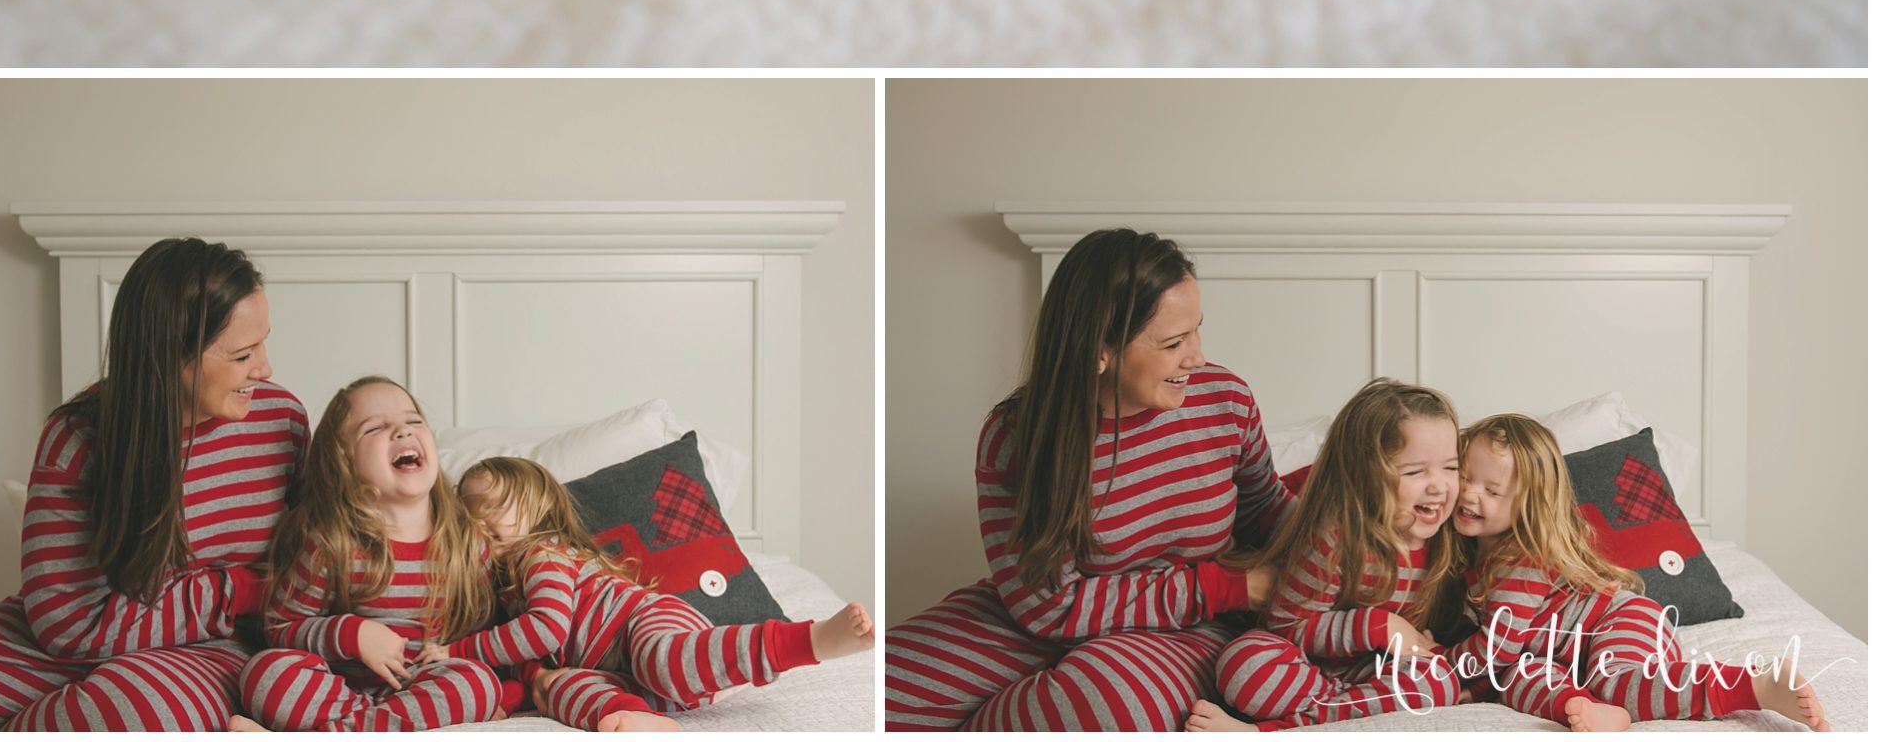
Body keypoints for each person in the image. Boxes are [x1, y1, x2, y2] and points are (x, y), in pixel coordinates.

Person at [0, 237, 309, 731]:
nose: (265, 368)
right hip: (63, 640)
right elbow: (66, 623)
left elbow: (313, 566)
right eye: (243, 354)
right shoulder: (80, 435)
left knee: (128, 713)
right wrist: (237, 588)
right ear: (169, 354)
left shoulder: (280, 421)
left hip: (212, 645)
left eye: (262, 342)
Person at [883, 229, 1287, 730]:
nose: (1197, 356)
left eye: (1197, 330)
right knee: (865, 692)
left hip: (1190, 625)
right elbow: (1047, 605)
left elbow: (1266, 513)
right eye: (1173, 342)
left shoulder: (1224, 400)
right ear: (1099, 348)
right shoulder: (1017, 435)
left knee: (1102, 703)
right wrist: (1222, 587)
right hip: (1038, 619)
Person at [1427, 414, 1828, 731]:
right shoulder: (1471, 561)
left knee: (1616, 678)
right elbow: (1505, 659)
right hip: (1566, 656)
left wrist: (1440, 659)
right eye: (1464, 478)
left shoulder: (1521, 559)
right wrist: (1472, 686)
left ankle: (1754, 686)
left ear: (1529, 505)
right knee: (1518, 677)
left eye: (1492, 491)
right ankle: (1585, 708)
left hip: (1621, 619)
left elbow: (1495, 649)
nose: (1469, 493)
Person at [446, 454, 871, 730]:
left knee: (660, 660)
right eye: (468, 510)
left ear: (535, 508)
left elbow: (545, 630)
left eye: (493, 506)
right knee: (558, 686)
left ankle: (806, 641)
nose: (479, 519)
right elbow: (522, 658)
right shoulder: (503, 594)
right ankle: (632, 716)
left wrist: (459, 652)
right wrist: (522, 688)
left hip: (643, 624)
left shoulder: (540, 554)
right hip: (615, 668)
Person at [233, 378, 514, 731]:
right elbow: (281, 628)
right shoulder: (330, 543)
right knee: (267, 674)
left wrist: (498, 692)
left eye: (413, 422)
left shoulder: (468, 542)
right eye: (375, 428)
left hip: (421, 686)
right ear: (344, 463)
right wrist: (351, 634)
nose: (401, 431)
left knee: (475, 683)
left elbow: (486, 636)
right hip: (341, 689)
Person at [1192, 379, 1466, 727]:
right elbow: (1286, 626)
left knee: (1438, 681)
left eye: (1451, 467)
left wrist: (1437, 650)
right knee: (1244, 663)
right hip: (1309, 668)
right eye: (1415, 471)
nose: (1439, 485)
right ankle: (1338, 712)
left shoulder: (1452, 539)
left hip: (1377, 670)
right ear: (1365, 477)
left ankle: (1279, 729)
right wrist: (1374, 625)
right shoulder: (1336, 537)